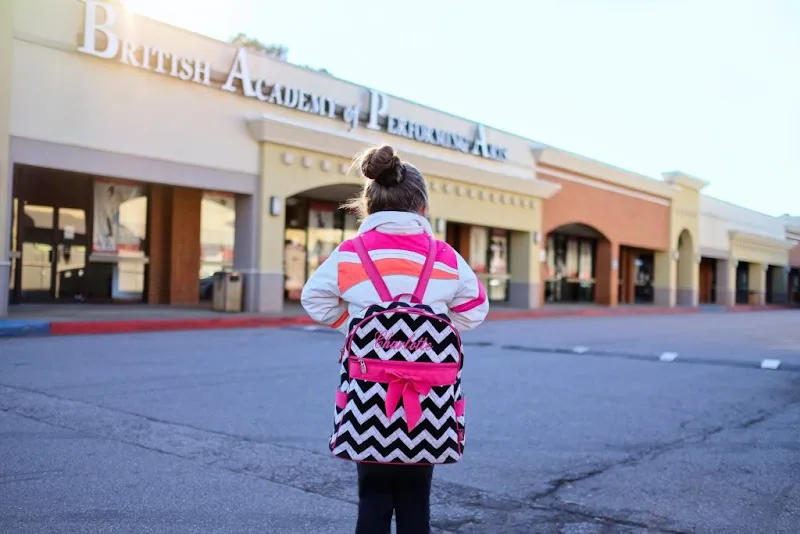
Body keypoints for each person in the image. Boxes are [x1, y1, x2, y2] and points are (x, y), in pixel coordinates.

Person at [301, 144, 489, 534]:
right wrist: (429, 326)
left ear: (367, 208)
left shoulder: (351, 253)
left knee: (372, 496)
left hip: (367, 395)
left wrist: (357, 325)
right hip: (429, 398)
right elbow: (475, 309)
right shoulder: (444, 257)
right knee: (416, 498)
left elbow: (313, 297)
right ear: (422, 209)